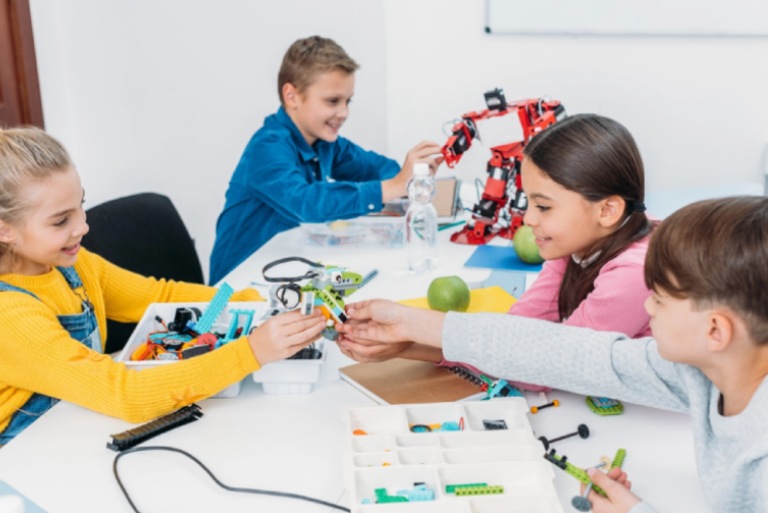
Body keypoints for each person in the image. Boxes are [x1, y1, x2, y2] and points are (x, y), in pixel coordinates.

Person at [336, 196, 768, 513]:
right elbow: (572, 354)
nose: (648, 306)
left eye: (660, 299)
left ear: (716, 330)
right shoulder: (700, 372)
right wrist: (414, 326)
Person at [0, 127, 327, 444]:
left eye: (81, 206)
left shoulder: (73, 264)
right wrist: (252, 351)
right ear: (5, 230)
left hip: (75, 424)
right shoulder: (9, 316)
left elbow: (160, 296)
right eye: (61, 221)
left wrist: (251, 302)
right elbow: (124, 393)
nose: (83, 226)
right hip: (23, 463)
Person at [337, 114, 655, 390]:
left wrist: (412, 325)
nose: (528, 219)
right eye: (529, 203)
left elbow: (557, 364)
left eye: (543, 206)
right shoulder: (573, 247)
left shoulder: (634, 273)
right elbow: (514, 338)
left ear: (609, 210)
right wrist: (403, 344)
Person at [209, 35, 443, 284]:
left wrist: (410, 175)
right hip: (237, 287)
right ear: (292, 96)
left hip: (284, 270)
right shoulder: (267, 148)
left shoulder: (324, 142)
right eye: (332, 101)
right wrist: (394, 186)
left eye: (347, 101)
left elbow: (378, 169)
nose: (343, 113)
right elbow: (307, 202)